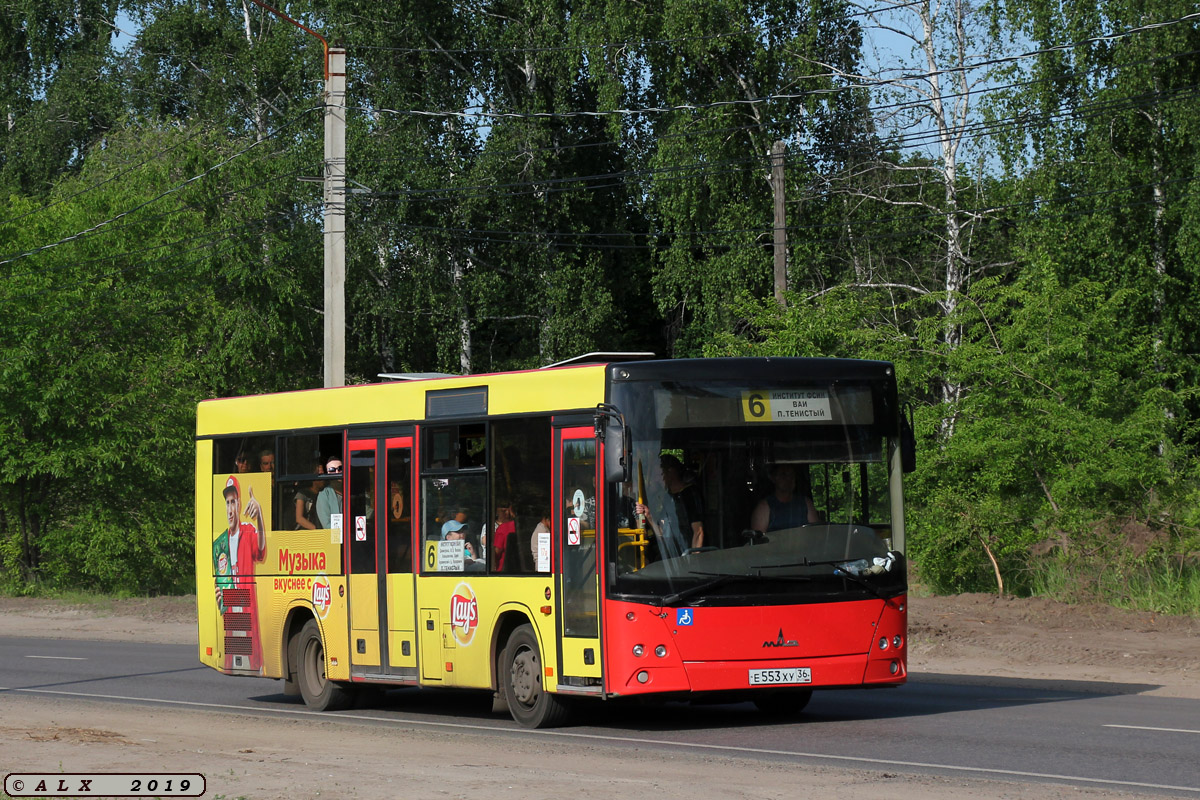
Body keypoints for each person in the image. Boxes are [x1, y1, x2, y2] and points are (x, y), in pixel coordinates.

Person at [213, 474, 266, 671]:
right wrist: (218, 593)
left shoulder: (249, 530)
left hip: (244, 598)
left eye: (233, 502)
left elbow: (260, 551)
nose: (230, 509)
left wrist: (259, 515)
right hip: (231, 599)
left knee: (249, 658)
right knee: (233, 659)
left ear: (239, 503)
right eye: (227, 503)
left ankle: (249, 666)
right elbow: (219, 577)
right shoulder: (220, 543)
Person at [635, 454, 705, 552]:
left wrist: (693, 561)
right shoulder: (668, 497)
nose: (655, 480)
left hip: (688, 557)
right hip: (673, 559)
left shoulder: (690, 494)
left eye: (658, 475)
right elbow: (662, 534)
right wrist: (649, 516)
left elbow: (698, 532)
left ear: (671, 472)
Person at [750, 463, 820, 533]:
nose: (789, 479)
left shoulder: (806, 504)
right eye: (783, 475)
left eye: (791, 475)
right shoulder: (764, 507)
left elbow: (815, 533)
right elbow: (759, 541)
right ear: (773, 478)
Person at [294, 462, 325, 530]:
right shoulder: (302, 494)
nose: (323, 478)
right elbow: (299, 518)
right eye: (320, 475)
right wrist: (316, 530)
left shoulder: (325, 494)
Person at [316, 456, 343, 529]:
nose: (337, 472)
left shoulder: (353, 490)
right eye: (332, 470)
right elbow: (327, 525)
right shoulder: (324, 494)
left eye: (340, 468)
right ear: (327, 474)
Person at [491, 500, 518, 571]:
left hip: (505, 570)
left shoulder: (503, 528)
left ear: (511, 510)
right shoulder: (531, 527)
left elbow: (497, 551)